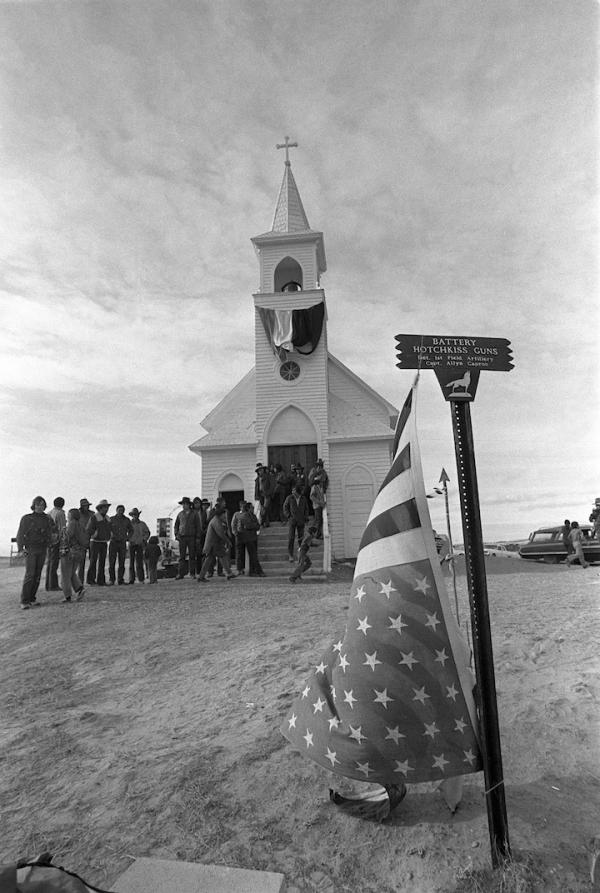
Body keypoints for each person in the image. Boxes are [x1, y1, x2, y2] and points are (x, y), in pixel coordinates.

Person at [16, 496, 55, 609]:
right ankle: (24, 600)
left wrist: (53, 538)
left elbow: (54, 530)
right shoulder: (26, 518)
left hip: (42, 548)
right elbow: (20, 533)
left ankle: (32, 598)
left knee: (37, 575)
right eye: (38, 504)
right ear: (34, 505)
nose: (40, 506)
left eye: (42, 504)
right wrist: (20, 549)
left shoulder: (48, 518)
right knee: (30, 574)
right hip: (31, 549)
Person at [197, 505, 235, 581]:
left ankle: (229, 573)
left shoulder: (216, 520)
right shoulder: (216, 521)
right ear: (220, 515)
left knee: (219, 557)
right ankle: (201, 576)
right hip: (213, 544)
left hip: (214, 544)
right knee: (217, 558)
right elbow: (220, 533)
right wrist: (228, 541)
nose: (225, 516)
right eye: (224, 514)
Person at [60, 508, 87, 602]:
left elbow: (67, 536)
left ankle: (67, 596)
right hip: (79, 552)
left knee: (65, 575)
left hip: (69, 552)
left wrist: (63, 531)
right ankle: (79, 589)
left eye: (69, 514)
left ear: (71, 515)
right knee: (71, 573)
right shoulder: (80, 525)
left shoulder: (72, 524)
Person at [87, 499, 112, 586]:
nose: (106, 509)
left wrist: (109, 535)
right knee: (93, 561)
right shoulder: (94, 517)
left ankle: (101, 580)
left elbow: (110, 529)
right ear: (100, 508)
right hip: (95, 542)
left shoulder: (108, 518)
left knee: (102, 562)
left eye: (107, 507)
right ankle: (91, 580)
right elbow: (89, 529)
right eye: (105, 507)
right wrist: (94, 534)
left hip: (104, 542)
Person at [283, 483, 310, 562]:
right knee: (291, 538)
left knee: (301, 539)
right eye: (292, 490)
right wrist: (288, 516)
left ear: (298, 491)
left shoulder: (303, 499)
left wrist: (306, 517)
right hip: (292, 521)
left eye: (294, 490)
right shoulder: (289, 498)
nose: (292, 492)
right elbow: (285, 507)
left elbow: (306, 509)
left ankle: (301, 555)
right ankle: (290, 555)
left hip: (301, 521)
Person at [174, 497, 200, 579]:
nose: (184, 505)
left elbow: (198, 526)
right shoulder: (180, 514)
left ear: (189, 505)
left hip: (192, 537)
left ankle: (192, 573)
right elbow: (176, 525)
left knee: (192, 555)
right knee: (182, 556)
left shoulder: (194, 514)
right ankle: (180, 573)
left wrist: (198, 537)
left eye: (185, 504)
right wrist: (176, 534)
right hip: (182, 537)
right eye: (183, 504)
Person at [45, 496, 66, 591]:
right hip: (57, 540)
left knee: (50, 562)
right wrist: (63, 541)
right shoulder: (60, 513)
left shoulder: (49, 513)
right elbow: (62, 528)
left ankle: (48, 584)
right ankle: (53, 585)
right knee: (54, 563)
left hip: (49, 540)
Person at [108, 504, 133, 585]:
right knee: (112, 562)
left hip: (122, 543)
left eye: (122, 510)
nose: (121, 512)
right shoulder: (111, 519)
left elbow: (131, 530)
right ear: (116, 510)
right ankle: (112, 579)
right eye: (119, 510)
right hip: (113, 542)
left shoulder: (127, 520)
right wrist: (109, 535)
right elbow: (106, 528)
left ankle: (120, 579)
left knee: (122, 562)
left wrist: (128, 537)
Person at [240, 502, 265, 577]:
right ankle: (259, 571)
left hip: (253, 537)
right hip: (248, 538)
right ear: (248, 508)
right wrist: (254, 525)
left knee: (253, 555)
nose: (253, 509)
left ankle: (252, 571)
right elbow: (248, 526)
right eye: (252, 507)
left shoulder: (253, 516)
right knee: (253, 555)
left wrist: (254, 525)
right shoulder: (245, 516)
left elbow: (257, 525)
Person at [128, 508, 150, 583]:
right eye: (133, 514)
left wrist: (144, 539)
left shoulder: (142, 524)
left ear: (138, 515)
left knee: (139, 562)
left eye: (136, 514)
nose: (135, 516)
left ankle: (141, 578)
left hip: (140, 545)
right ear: (132, 515)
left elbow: (147, 532)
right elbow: (125, 532)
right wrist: (128, 539)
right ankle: (131, 579)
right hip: (131, 544)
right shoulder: (129, 524)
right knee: (131, 562)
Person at [75, 498, 94, 583]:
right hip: (81, 540)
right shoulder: (77, 515)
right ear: (81, 506)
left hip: (92, 539)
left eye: (87, 506)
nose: (86, 507)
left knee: (92, 560)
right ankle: (80, 581)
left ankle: (91, 580)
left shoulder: (92, 514)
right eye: (85, 506)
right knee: (81, 562)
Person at [231, 499, 248, 574]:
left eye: (245, 506)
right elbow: (233, 524)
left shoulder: (248, 514)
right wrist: (235, 532)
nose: (243, 507)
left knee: (246, 552)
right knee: (239, 552)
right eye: (242, 506)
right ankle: (239, 568)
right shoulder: (236, 514)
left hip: (246, 534)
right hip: (239, 534)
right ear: (240, 506)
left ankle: (245, 567)